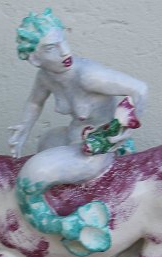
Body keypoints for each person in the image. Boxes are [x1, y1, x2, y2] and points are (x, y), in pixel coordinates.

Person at [9, 8, 148, 158]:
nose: (65, 52)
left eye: (63, 41)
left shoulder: (88, 75)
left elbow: (140, 89)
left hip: (103, 144)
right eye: (51, 48)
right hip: (75, 136)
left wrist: (126, 129)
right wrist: (24, 128)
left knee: (45, 166)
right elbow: (35, 102)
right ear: (34, 59)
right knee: (47, 141)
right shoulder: (45, 77)